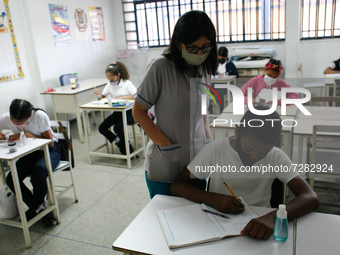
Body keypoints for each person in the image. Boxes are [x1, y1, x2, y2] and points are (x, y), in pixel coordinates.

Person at [171, 107, 319, 240]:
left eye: (263, 153)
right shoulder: (216, 150)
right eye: (249, 149)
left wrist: (273, 217)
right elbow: (178, 186)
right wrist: (213, 199)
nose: (254, 157)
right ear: (237, 131)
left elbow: (310, 197)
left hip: (261, 225)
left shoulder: (275, 156)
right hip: (217, 222)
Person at [132, 10, 218, 198]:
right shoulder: (161, 67)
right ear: (179, 44)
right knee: (168, 221)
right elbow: (138, 111)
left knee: (197, 219)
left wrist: (209, 142)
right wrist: (166, 146)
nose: (200, 53)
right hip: (166, 165)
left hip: (197, 163)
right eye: (194, 48)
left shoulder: (205, 70)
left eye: (206, 46)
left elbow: (203, 112)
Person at [0, 99, 61, 226]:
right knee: (11, 179)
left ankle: (36, 209)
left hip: (50, 150)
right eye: (13, 122)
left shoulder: (39, 116)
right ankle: (39, 208)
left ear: (29, 116)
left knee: (38, 173)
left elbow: (50, 143)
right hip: (31, 152)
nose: (16, 124)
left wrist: (26, 134)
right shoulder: (6, 118)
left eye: (20, 122)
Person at [94, 62, 137, 155]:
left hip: (129, 112)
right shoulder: (109, 84)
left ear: (118, 75)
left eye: (112, 78)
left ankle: (127, 147)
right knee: (102, 128)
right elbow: (102, 97)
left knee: (117, 128)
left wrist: (121, 98)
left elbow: (136, 95)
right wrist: (98, 95)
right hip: (117, 112)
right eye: (108, 78)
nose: (111, 81)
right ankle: (119, 141)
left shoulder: (127, 83)